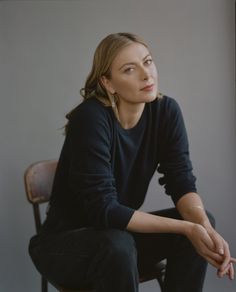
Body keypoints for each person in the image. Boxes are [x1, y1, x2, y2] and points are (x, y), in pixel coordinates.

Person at [28, 32, 235, 292]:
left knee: (201, 224)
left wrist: (203, 228)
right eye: (129, 69)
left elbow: (181, 180)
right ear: (108, 83)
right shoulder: (90, 119)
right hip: (63, 246)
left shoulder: (166, 112)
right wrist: (186, 228)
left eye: (147, 62)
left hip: (119, 240)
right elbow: (104, 210)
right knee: (119, 244)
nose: (146, 75)